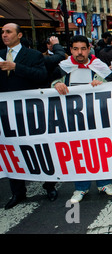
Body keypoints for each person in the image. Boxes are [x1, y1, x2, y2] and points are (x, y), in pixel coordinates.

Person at [51, 35, 112, 203]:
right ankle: (80, 188)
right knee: (78, 152)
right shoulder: (62, 67)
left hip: (96, 116)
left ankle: (104, 183)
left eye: (83, 49)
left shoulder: (99, 65)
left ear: (89, 49)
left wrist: (101, 82)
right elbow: (49, 82)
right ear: (70, 50)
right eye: (75, 49)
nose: (79, 53)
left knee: (100, 150)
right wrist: (55, 84)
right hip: (72, 118)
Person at [0, 23, 58, 209]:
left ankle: (49, 186)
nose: (4, 35)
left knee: (39, 149)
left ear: (19, 35)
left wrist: (16, 67)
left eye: (8, 32)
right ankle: (18, 192)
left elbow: (41, 76)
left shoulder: (33, 55)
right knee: (13, 151)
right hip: (6, 114)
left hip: (31, 112)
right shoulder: (0, 54)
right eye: (2, 32)